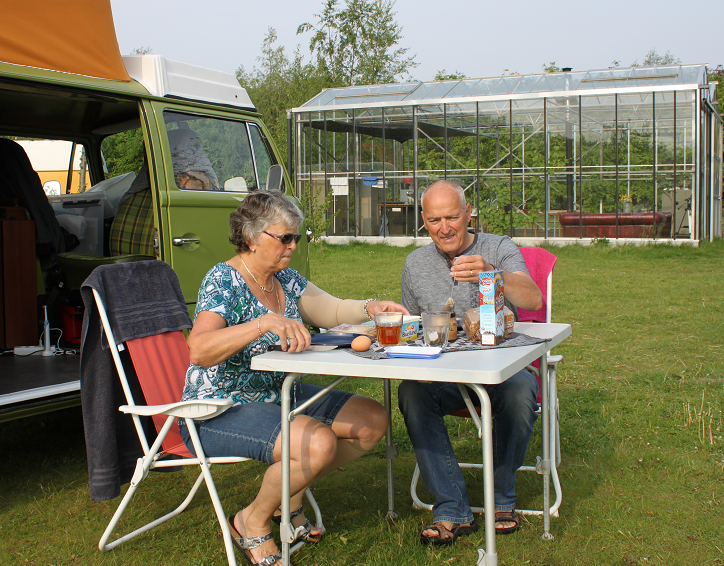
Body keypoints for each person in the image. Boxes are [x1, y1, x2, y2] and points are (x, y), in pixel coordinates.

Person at [181, 189, 408, 565]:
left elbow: (330, 308)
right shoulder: (224, 280)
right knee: (317, 445)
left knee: (372, 421)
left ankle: (286, 494)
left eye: (296, 237)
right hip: (218, 406)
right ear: (252, 238)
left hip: (277, 392)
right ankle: (251, 520)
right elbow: (199, 350)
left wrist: (370, 306)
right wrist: (262, 324)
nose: (292, 246)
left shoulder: (283, 278)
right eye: (284, 237)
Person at [399, 180, 543, 545]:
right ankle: (451, 507)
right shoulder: (416, 263)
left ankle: (502, 498)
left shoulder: (497, 247)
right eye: (434, 220)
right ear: (423, 220)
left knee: (522, 391)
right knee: (412, 392)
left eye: (451, 217)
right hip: (445, 374)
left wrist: (490, 273)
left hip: (500, 371)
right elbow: (415, 327)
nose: (444, 228)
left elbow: (533, 298)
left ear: (467, 214)